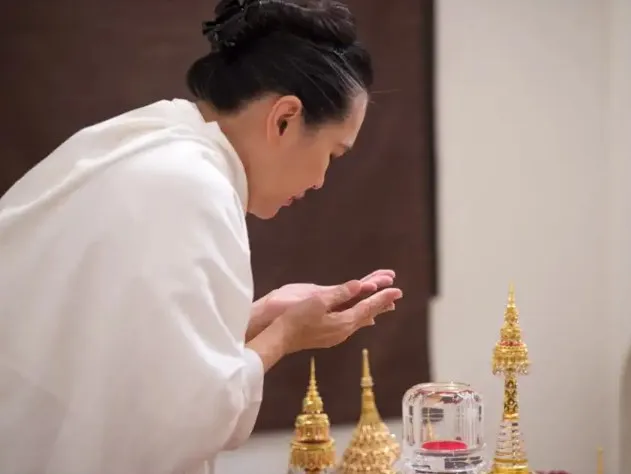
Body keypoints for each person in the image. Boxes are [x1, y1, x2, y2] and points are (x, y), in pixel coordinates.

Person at [0, 0, 402, 473]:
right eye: (333, 154)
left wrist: (254, 320)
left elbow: (117, 347)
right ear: (285, 118)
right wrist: (286, 335)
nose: (320, 182)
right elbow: (185, 418)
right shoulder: (192, 184)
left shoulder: (142, 141)